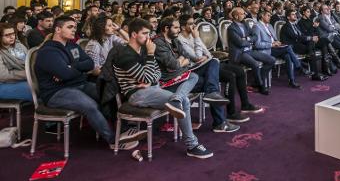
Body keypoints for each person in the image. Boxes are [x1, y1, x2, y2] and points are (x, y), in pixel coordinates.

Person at [35, 15, 143, 150]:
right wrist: (74, 68)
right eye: (69, 27)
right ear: (57, 29)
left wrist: (71, 66)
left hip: (79, 84)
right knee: (90, 105)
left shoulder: (73, 46)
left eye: (74, 27)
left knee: (108, 92)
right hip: (56, 91)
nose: (74, 30)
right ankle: (112, 140)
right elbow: (65, 74)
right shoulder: (48, 51)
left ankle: (124, 129)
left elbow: (90, 64)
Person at [112, 18, 212, 158]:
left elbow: (156, 74)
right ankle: (192, 145)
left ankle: (177, 100)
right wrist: (151, 56)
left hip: (153, 88)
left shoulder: (142, 51)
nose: (148, 37)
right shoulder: (125, 54)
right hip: (137, 94)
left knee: (191, 80)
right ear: (134, 34)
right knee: (184, 101)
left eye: (149, 33)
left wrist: (148, 77)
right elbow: (148, 77)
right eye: (145, 33)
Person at [153, 17, 236, 133]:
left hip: (184, 74)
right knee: (210, 82)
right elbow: (174, 65)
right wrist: (183, 60)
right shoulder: (159, 43)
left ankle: (212, 95)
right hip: (172, 81)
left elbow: (192, 58)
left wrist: (182, 60)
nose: (178, 30)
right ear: (166, 28)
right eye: (176, 27)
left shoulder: (175, 40)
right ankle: (219, 122)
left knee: (214, 62)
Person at [227, 8, 275, 95]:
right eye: (242, 14)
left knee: (271, 60)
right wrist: (248, 40)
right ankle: (261, 86)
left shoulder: (244, 24)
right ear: (236, 16)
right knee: (255, 64)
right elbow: (240, 43)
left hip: (249, 50)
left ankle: (256, 83)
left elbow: (255, 36)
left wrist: (247, 38)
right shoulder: (231, 28)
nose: (244, 15)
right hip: (239, 53)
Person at [253, 9, 303, 88]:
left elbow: (275, 39)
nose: (270, 17)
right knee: (288, 48)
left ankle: (292, 80)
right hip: (266, 50)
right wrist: (271, 44)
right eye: (268, 16)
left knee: (288, 56)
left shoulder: (270, 25)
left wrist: (277, 42)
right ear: (262, 16)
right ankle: (299, 67)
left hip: (275, 48)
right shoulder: (257, 27)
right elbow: (257, 44)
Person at [280, 9, 328, 81]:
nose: (295, 15)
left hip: (299, 43)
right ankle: (315, 74)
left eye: (295, 14)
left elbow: (302, 35)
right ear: (288, 17)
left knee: (313, 46)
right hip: (292, 46)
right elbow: (296, 37)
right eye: (293, 14)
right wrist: (310, 38)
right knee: (311, 48)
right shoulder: (286, 26)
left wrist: (311, 38)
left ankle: (312, 61)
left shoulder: (295, 25)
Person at [0, 23, 32, 101]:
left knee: (47, 84)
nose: (12, 37)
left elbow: (30, 62)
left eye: (13, 34)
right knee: (39, 88)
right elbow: (3, 76)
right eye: (7, 35)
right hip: (4, 85)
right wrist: (28, 73)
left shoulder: (19, 46)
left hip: (25, 79)